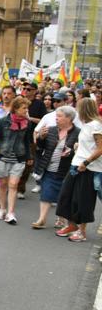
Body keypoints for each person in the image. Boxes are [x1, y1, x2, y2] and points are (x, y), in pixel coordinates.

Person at [55, 97, 102, 242]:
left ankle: (82, 232)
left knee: (83, 200)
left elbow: (100, 148)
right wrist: (77, 146)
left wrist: (86, 162)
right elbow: (89, 145)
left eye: (78, 107)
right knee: (66, 195)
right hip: (76, 164)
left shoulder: (96, 125)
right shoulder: (86, 125)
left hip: (88, 168)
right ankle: (72, 225)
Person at [0, 96, 34, 225]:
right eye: (24, 108)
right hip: (2, 157)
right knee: (2, 184)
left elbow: (27, 141)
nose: (26, 110)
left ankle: (11, 213)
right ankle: (2, 210)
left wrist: (29, 156)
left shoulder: (27, 123)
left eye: (27, 108)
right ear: (16, 108)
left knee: (13, 185)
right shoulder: (3, 121)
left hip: (19, 158)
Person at [32, 105, 78, 229]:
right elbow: (40, 147)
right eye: (56, 115)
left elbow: (80, 150)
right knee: (46, 193)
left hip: (66, 170)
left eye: (59, 116)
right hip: (49, 167)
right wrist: (40, 137)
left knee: (64, 195)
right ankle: (42, 219)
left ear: (69, 118)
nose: (56, 118)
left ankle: (61, 218)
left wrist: (72, 151)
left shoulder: (78, 132)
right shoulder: (51, 129)